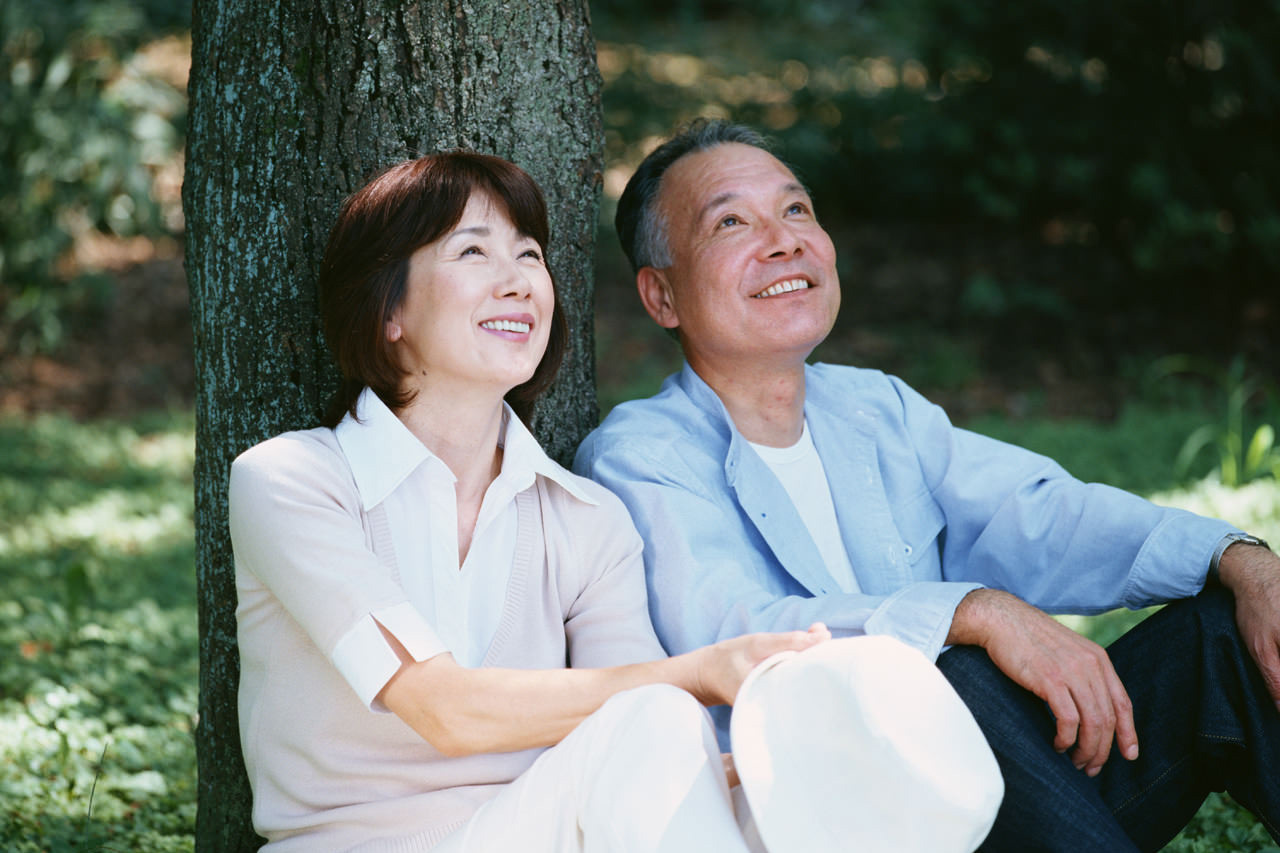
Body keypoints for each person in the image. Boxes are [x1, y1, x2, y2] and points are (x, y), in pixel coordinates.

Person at [228, 151, 1002, 852]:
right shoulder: (295, 481)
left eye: (530, 255)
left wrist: (814, 760)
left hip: (555, 831)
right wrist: (703, 672)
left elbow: (652, 753)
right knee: (659, 714)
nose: (518, 278)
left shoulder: (585, 519)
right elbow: (445, 709)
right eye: (473, 251)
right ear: (388, 311)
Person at [574, 118, 1280, 852]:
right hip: (830, 819)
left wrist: (1240, 556)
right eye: (730, 222)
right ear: (662, 297)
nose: (783, 240)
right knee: (947, 671)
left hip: (997, 795)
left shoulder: (876, 407)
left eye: (796, 210)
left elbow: (1040, 512)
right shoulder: (639, 455)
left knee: (1222, 633)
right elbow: (732, 629)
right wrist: (970, 613)